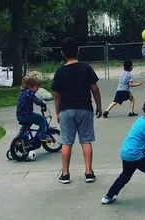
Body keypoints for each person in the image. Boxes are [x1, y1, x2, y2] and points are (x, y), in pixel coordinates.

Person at [51, 37, 102, 185]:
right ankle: (88, 172)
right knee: (86, 140)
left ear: (62, 53)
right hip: (85, 108)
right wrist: (98, 106)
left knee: (66, 142)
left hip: (66, 109)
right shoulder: (86, 68)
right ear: (78, 50)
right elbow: (95, 89)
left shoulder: (60, 71)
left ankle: (65, 174)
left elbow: (57, 95)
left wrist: (58, 112)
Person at [16, 75, 49, 142]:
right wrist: (43, 103)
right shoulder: (30, 93)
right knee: (42, 119)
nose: (37, 89)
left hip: (19, 115)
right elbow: (37, 101)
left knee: (27, 124)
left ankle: (20, 137)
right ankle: (42, 135)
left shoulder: (22, 92)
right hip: (27, 115)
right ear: (30, 86)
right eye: (36, 87)